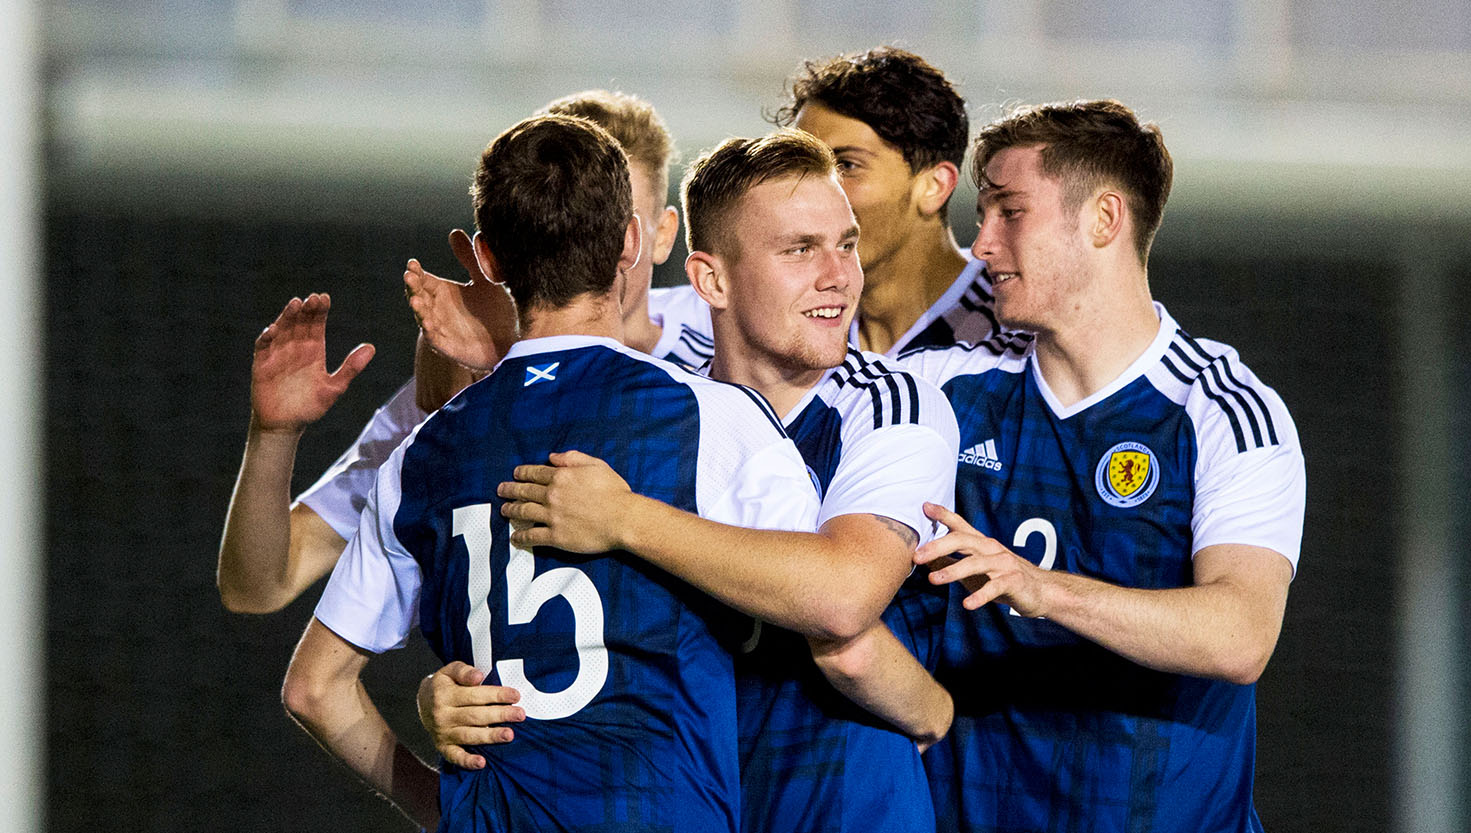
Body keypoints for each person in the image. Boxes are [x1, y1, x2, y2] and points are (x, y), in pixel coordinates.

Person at [280, 114, 821, 832]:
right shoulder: (710, 418)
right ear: (630, 242)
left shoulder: (424, 452)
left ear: (489, 259)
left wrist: (438, 803)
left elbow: (314, 689)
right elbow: (824, 598)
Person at [418, 130, 959, 833]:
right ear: (711, 280)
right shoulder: (661, 414)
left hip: (841, 805)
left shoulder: (886, 401)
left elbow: (842, 603)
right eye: (800, 250)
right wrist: (454, 692)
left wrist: (629, 521)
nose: (839, 275)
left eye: (846, 244)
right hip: (694, 802)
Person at [896, 100, 1307, 832]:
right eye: (981, 212)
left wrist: (1040, 590)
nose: (981, 244)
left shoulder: (1220, 408)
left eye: (1008, 211)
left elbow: (1241, 634)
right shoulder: (939, 389)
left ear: (1104, 220)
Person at [216, 90, 704, 615]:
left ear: (657, 235)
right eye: (558, 221)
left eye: (602, 221)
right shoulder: (463, 392)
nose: (579, 241)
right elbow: (260, 584)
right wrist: (274, 436)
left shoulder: (726, 335)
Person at [776, 46, 996, 356]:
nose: (807, 191)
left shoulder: (1024, 332)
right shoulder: (776, 329)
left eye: (847, 165)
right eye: (801, 164)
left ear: (934, 186)